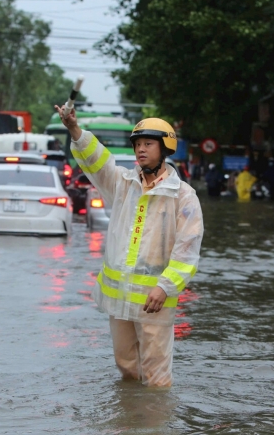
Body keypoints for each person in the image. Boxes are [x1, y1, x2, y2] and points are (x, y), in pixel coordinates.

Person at [55, 105, 204, 387]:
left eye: (148, 144)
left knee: (157, 378)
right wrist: (74, 128)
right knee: (127, 371)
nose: (140, 150)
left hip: (155, 302)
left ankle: (156, 426)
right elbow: (98, 162)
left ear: (165, 148)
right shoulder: (123, 185)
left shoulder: (183, 197)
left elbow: (188, 249)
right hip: (120, 299)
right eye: (137, 144)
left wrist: (166, 286)